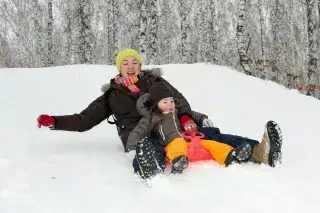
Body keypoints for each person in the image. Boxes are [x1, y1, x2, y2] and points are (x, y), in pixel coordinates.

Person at [37, 48, 283, 180]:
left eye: (135, 62)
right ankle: (149, 167)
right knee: (148, 145)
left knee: (209, 134)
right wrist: (55, 121)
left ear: (140, 65)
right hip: (140, 134)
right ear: (118, 67)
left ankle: (257, 151)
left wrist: (186, 118)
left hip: (170, 126)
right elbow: (85, 120)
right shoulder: (111, 95)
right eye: (126, 63)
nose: (131, 66)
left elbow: (178, 101)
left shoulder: (153, 81)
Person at [127, 82, 253, 176]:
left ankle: (231, 155)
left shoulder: (176, 111)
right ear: (155, 104)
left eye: (171, 101)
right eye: (165, 102)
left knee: (211, 144)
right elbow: (139, 131)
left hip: (189, 141)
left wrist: (202, 118)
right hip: (170, 145)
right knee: (177, 144)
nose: (170, 105)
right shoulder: (152, 117)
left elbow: (192, 114)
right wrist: (132, 148)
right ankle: (178, 161)